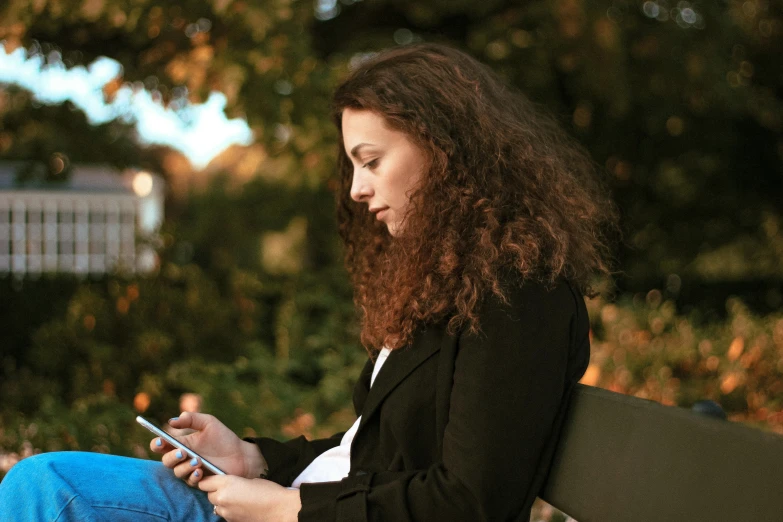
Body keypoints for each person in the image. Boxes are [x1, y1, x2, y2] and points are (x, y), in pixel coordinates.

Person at [0, 41, 618, 521]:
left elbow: (468, 504)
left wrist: (289, 508)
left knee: (47, 491)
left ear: (447, 148)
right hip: (304, 505)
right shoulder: (453, 281)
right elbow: (368, 454)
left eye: (371, 161)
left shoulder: (518, 293)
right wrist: (257, 459)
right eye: (353, 165)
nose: (356, 188)